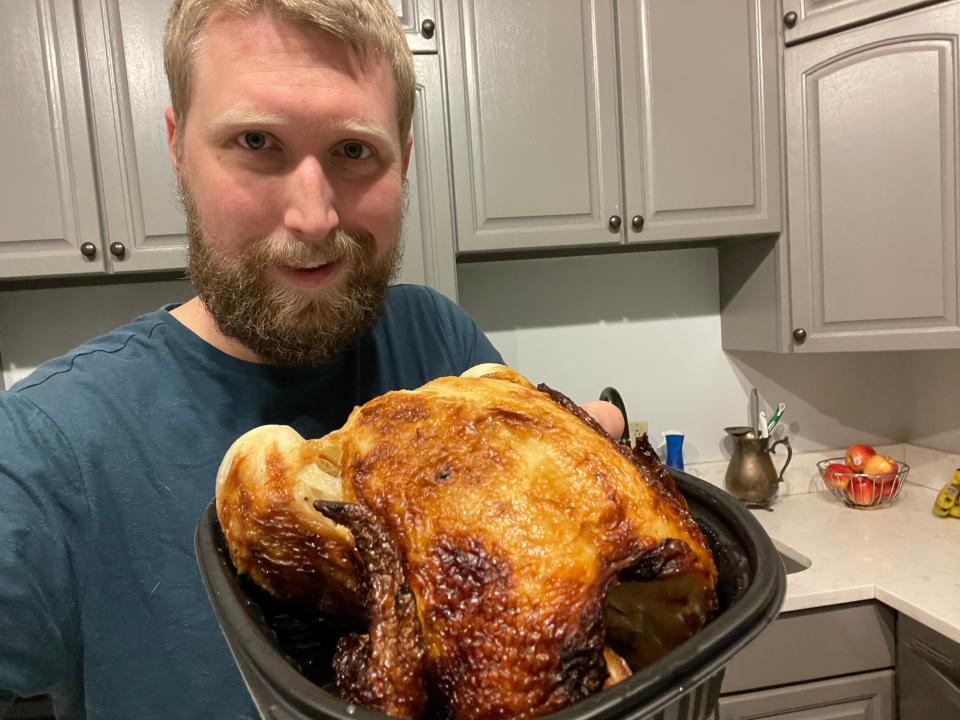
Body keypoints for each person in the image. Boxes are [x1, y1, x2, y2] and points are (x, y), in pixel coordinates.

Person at [0, 1, 623, 718]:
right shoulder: (47, 453)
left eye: (354, 151)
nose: (314, 217)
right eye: (257, 141)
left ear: (405, 158)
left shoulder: (439, 349)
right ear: (177, 146)